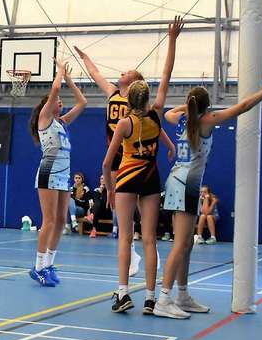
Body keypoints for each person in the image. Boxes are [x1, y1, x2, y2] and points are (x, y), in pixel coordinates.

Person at [154, 70, 262, 319]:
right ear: (206, 107)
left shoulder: (184, 118)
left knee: (187, 247)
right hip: (185, 184)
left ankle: (182, 295)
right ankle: (163, 299)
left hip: (179, 181)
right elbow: (244, 105)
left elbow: (167, 114)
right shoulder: (206, 120)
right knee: (180, 244)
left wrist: (189, 105)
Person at [76, 20, 178, 276]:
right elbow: (95, 73)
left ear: (135, 83)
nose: (121, 72)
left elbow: (154, 125)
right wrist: (86, 57)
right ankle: (130, 250)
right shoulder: (112, 92)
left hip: (133, 155)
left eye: (127, 72)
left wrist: (167, 143)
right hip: (117, 154)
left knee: (133, 206)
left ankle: (133, 247)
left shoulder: (140, 107)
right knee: (117, 206)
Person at [102, 16, 183, 314]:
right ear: (148, 98)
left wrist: (110, 189)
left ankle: (123, 294)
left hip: (126, 178)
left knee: (125, 237)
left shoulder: (124, 123)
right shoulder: (155, 117)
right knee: (149, 240)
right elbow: (166, 73)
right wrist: (172, 39)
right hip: (150, 177)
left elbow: (106, 162)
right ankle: (151, 298)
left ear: (128, 99)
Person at [29, 60, 87, 286]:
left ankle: (49, 264)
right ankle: (38, 266)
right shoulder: (46, 119)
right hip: (48, 172)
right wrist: (59, 73)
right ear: (49, 105)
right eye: (58, 100)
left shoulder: (63, 122)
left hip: (63, 174)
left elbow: (82, 102)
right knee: (50, 220)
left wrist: (69, 78)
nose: (61, 100)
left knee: (61, 221)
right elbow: (54, 89)